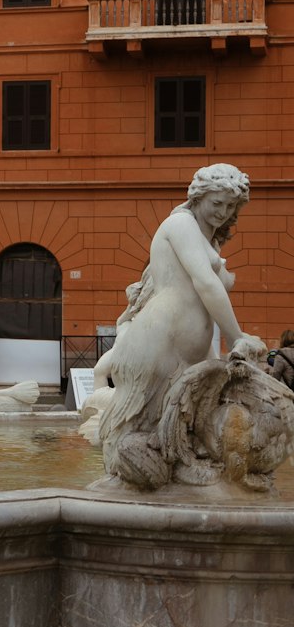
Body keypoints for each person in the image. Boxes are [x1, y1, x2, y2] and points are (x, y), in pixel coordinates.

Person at [91, 163, 257, 452]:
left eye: (231, 206)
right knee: (141, 435)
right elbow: (205, 283)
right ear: (198, 197)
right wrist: (237, 337)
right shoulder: (181, 225)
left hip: (185, 346)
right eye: (217, 203)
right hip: (161, 342)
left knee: (183, 436)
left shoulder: (206, 239)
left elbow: (203, 305)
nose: (223, 212)